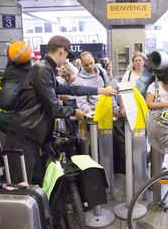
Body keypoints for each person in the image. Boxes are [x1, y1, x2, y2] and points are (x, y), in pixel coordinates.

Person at [6, 35, 116, 183]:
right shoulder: (42, 70)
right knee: (23, 184)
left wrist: (98, 91)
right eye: (66, 56)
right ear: (61, 51)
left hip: (32, 136)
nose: (66, 61)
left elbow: (69, 88)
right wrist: (75, 112)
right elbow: (54, 108)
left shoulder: (46, 69)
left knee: (35, 181)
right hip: (24, 137)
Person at [145, 66, 168, 172]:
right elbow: (148, 104)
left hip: (167, 121)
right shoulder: (154, 86)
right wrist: (165, 104)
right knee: (157, 149)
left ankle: (148, 166)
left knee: (160, 150)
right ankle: (155, 176)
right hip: (154, 121)